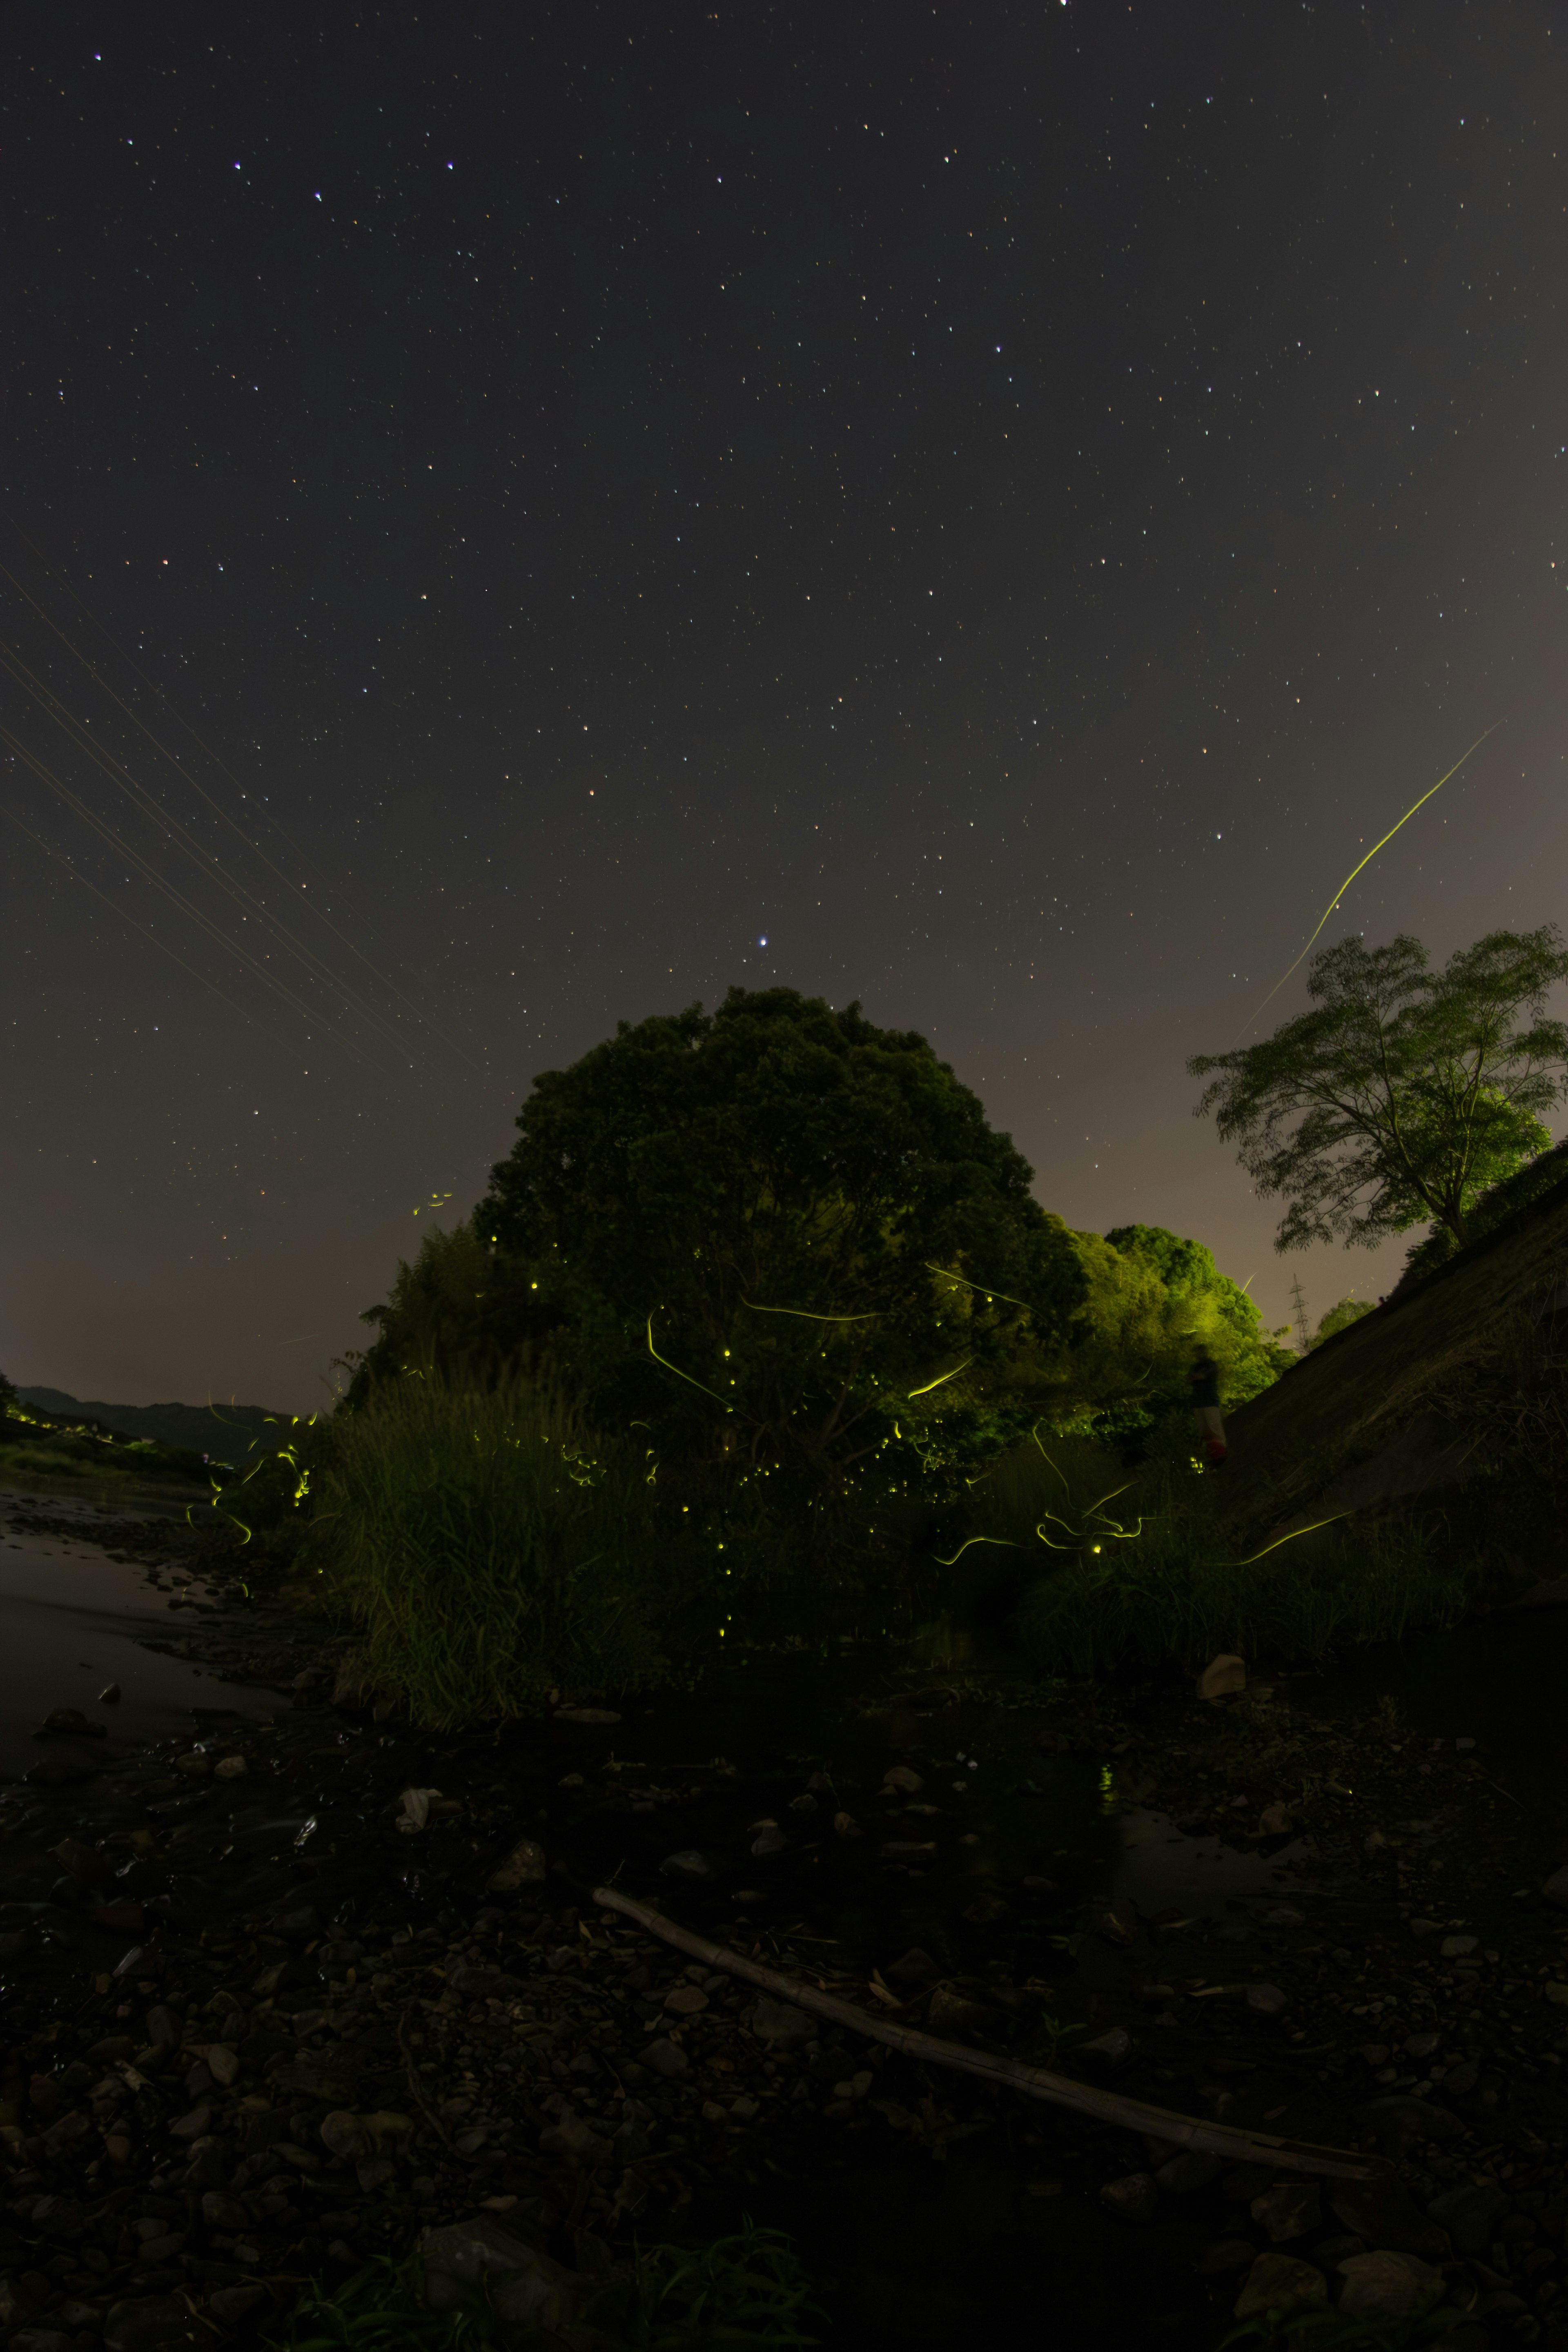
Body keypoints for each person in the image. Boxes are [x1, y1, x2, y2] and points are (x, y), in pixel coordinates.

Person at [1189, 1346, 1226, 1468]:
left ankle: (1221, 1458)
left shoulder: (1210, 1364)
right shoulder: (1195, 1366)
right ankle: (1211, 1459)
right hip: (1198, 1402)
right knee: (1205, 1432)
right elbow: (1189, 1378)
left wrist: (1196, 1377)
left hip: (1210, 1400)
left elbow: (1202, 1376)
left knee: (1214, 1429)